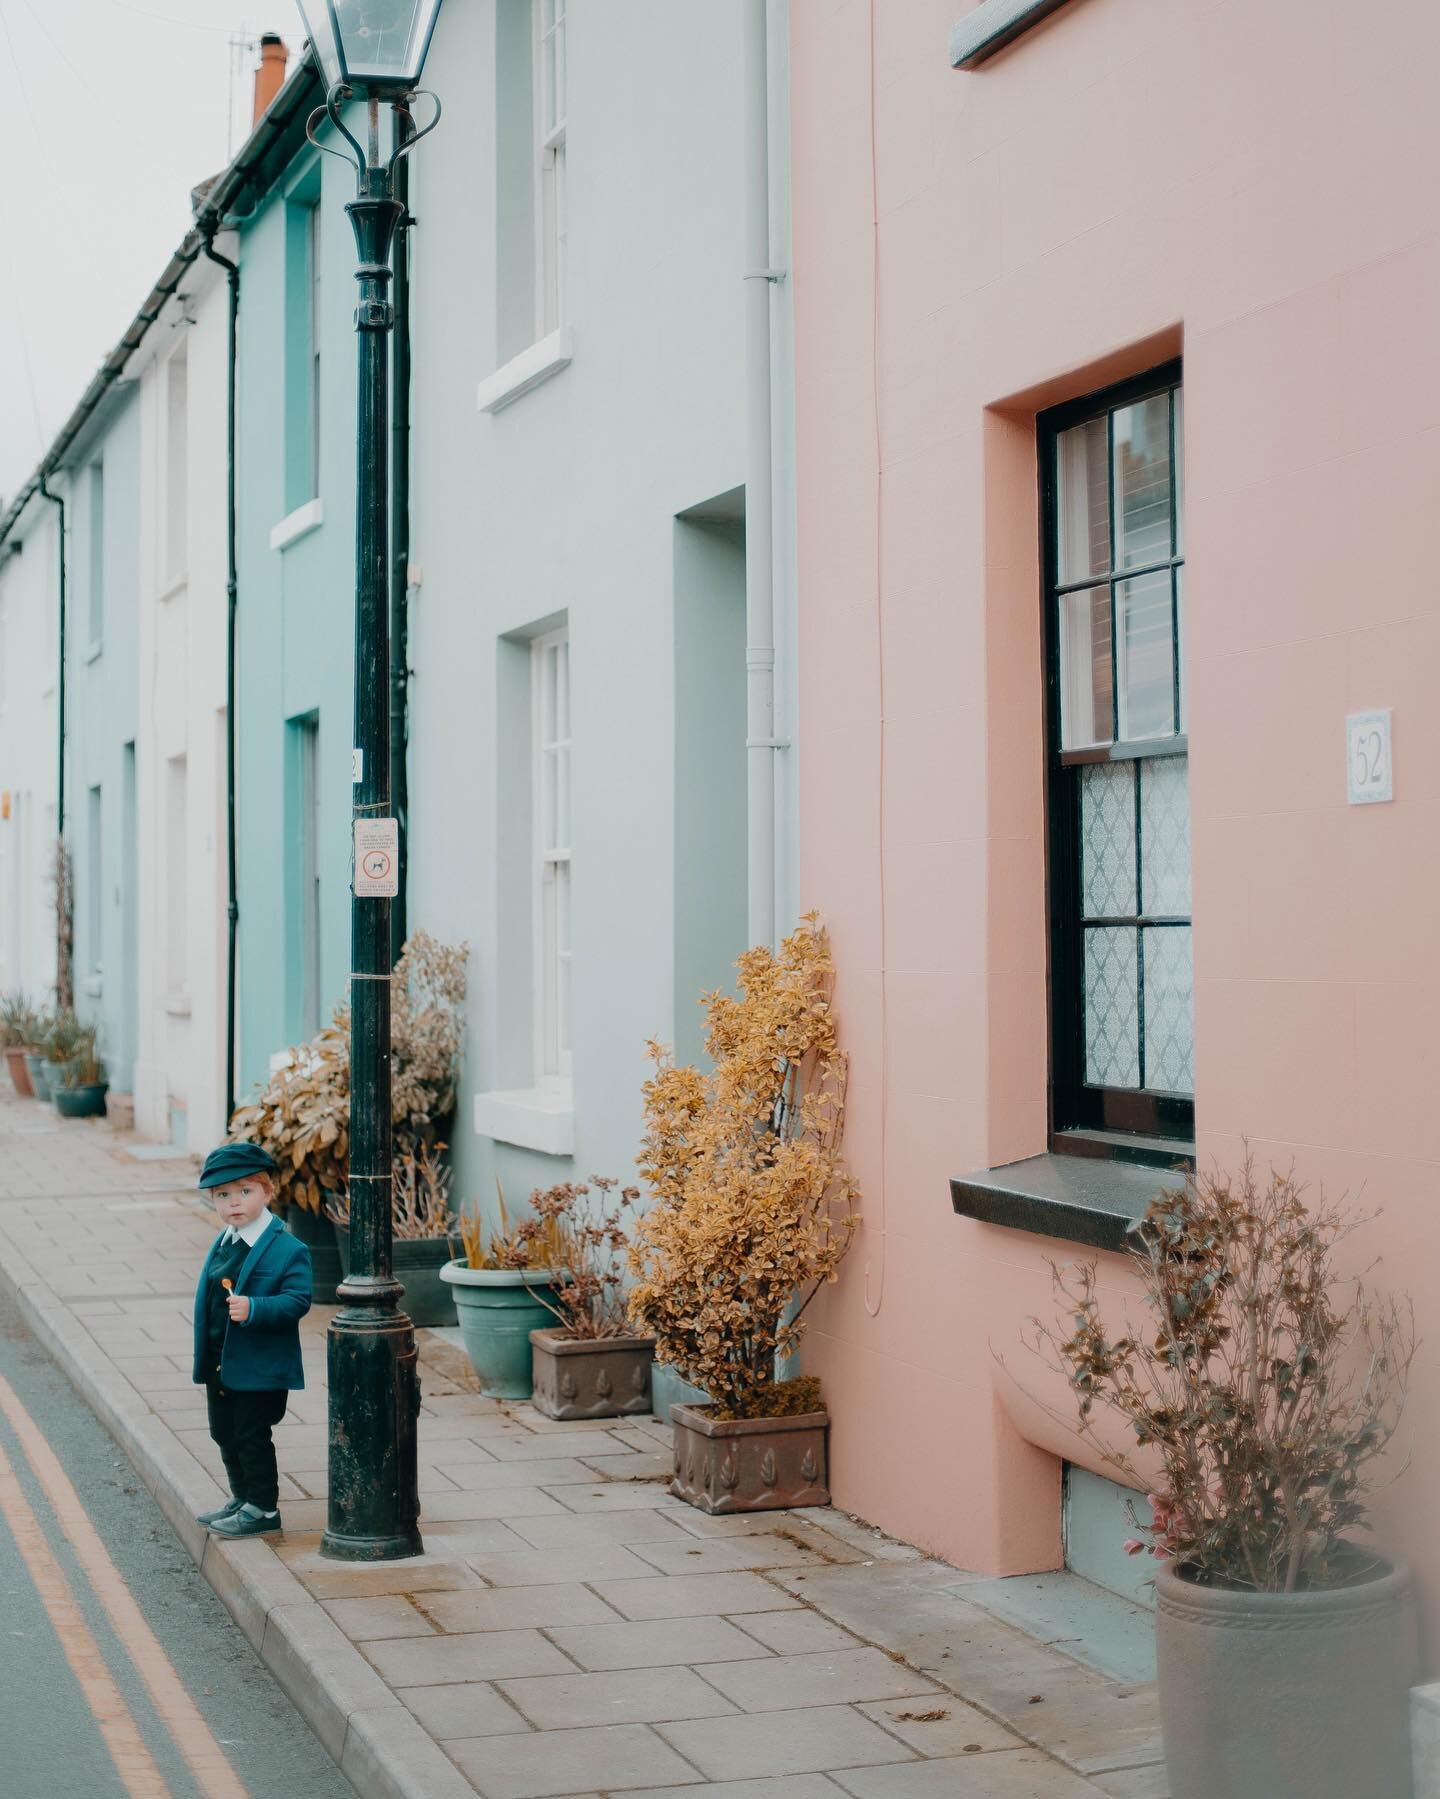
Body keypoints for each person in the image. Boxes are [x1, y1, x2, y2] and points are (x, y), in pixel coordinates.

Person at [191, 1142, 313, 1537]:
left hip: (258, 1366)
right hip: (220, 1362)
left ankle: (263, 1509)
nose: (234, 1203)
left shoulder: (288, 1248)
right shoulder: (226, 1241)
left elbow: (298, 1300)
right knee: (223, 1432)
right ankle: (241, 1497)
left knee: (251, 1435)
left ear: (268, 1191)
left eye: (245, 1191)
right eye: (223, 1195)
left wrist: (256, 1308)